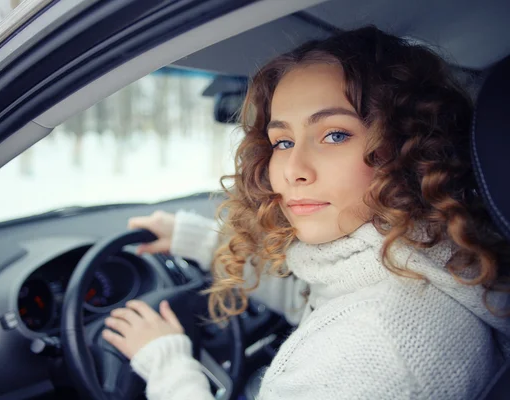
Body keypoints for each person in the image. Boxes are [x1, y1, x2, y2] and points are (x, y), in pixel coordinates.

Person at [101, 26, 510, 399]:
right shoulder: (427, 255)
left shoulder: (371, 353)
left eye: (334, 135)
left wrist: (166, 362)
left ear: (411, 147)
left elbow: (349, 331)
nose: (293, 170)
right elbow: (318, 299)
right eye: (282, 142)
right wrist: (198, 240)